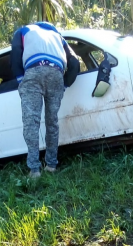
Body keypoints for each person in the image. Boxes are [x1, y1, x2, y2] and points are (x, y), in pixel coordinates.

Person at [11, 22, 79, 178]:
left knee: (31, 122)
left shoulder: (24, 31)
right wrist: (64, 85)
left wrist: (21, 79)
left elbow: (15, 53)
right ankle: (51, 165)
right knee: (52, 122)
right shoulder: (58, 37)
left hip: (33, 72)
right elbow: (74, 63)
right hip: (56, 73)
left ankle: (34, 170)